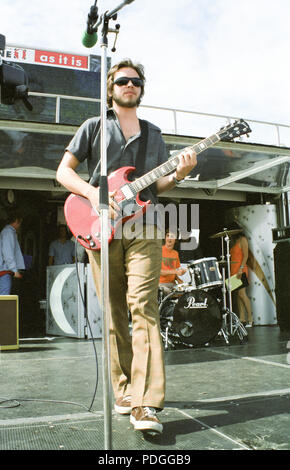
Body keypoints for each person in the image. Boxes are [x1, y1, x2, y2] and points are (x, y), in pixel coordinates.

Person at [56, 58, 197, 434]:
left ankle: (146, 403)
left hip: (145, 227)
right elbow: (63, 172)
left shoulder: (154, 134)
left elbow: (157, 186)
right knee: (115, 310)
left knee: (143, 306)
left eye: (135, 81)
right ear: (111, 88)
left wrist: (180, 174)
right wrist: (93, 193)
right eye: (122, 81)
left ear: (142, 87)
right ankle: (123, 391)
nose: (129, 85)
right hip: (101, 224)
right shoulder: (94, 127)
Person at [230, 228, 253, 327]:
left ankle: (250, 319)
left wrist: (241, 268)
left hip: (241, 270)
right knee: (238, 296)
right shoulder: (234, 241)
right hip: (233, 271)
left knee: (242, 294)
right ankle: (242, 318)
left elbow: (246, 255)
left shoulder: (243, 239)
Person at [0, 210, 25, 295]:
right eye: (20, 222)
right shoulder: (8, 233)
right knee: (4, 297)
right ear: (17, 221)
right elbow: (8, 254)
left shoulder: (8, 232)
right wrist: (15, 270)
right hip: (4, 271)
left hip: (5, 270)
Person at [159, 230, 187, 295]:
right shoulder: (159, 251)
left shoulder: (175, 253)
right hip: (160, 284)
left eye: (172, 236)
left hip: (172, 284)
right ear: (165, 238)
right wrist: (175, 272)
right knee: (170, 293)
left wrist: (179, 280)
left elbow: (176, 272)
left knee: (186, 294)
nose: (169, 238)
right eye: (167, 236)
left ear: (176, 240)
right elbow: (158, 272)